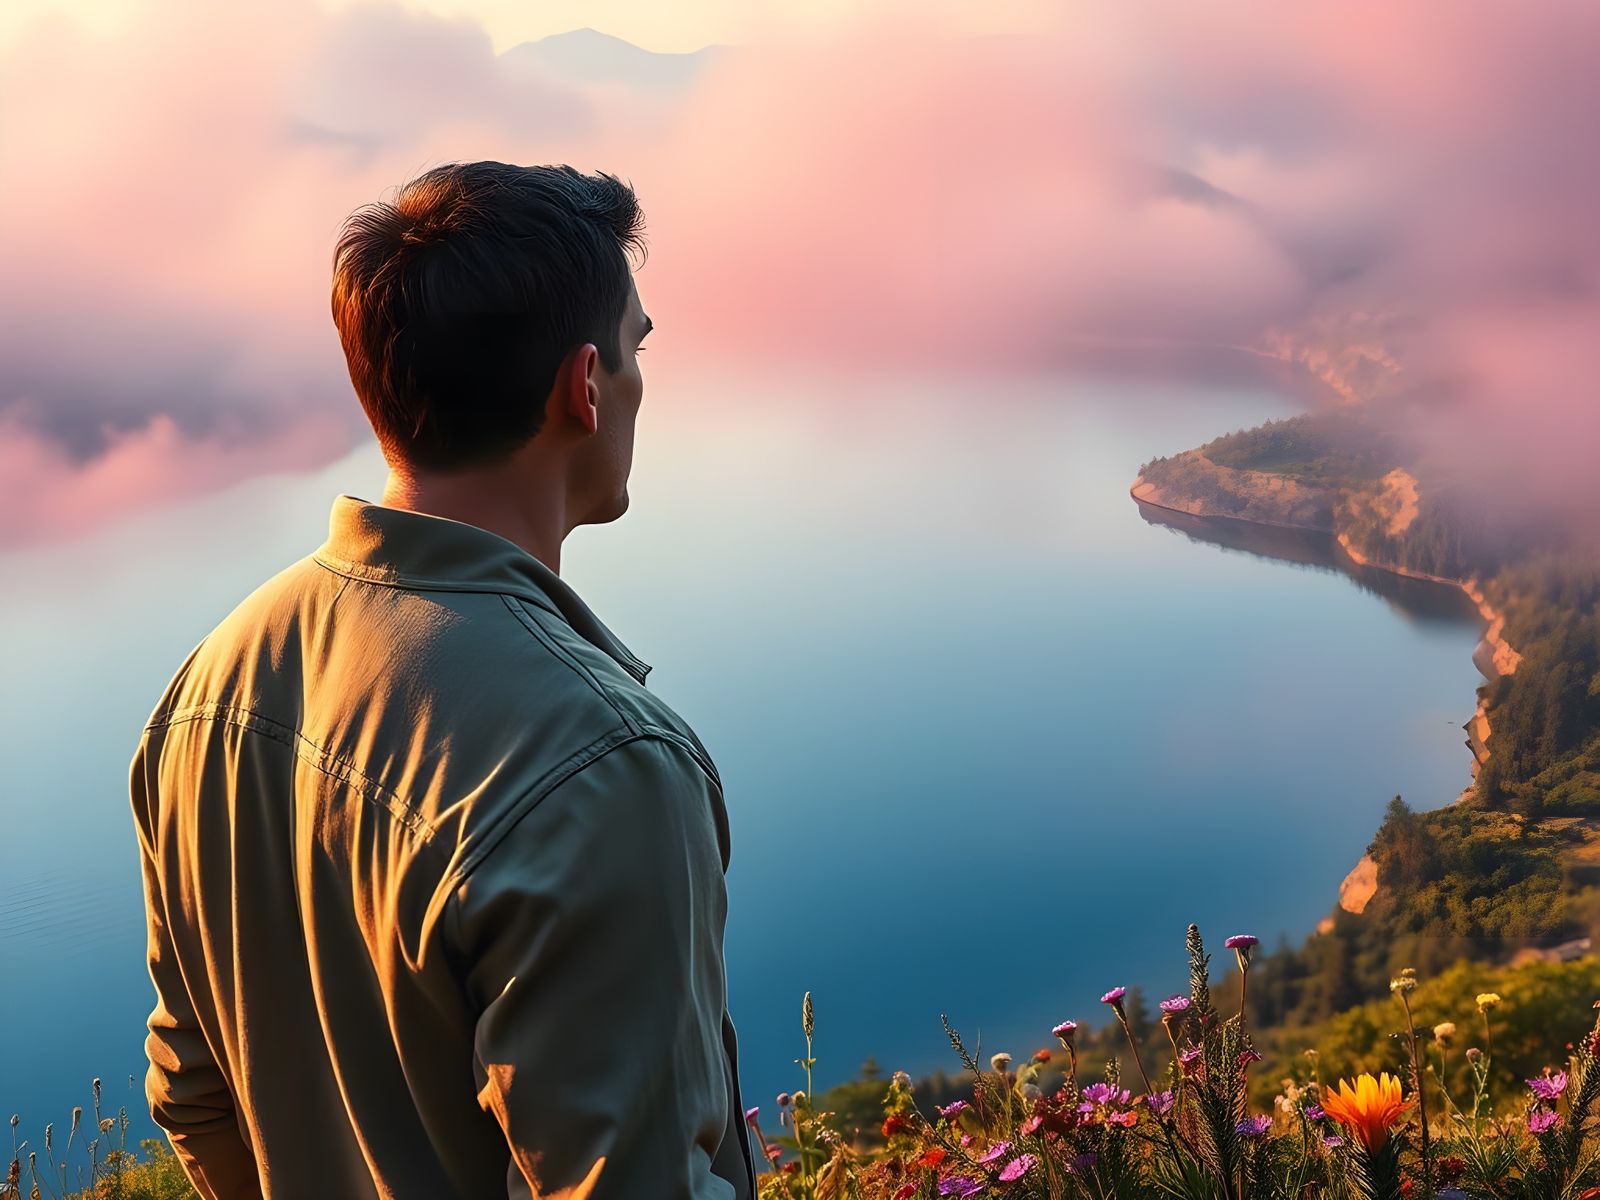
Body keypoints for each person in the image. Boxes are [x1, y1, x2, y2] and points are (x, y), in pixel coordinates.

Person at [127, 162, 759, 1199]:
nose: (644, 380)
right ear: (585, 386)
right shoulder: (601, 765)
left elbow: (195, 1093)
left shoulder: (211, 687)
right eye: (640, 346)